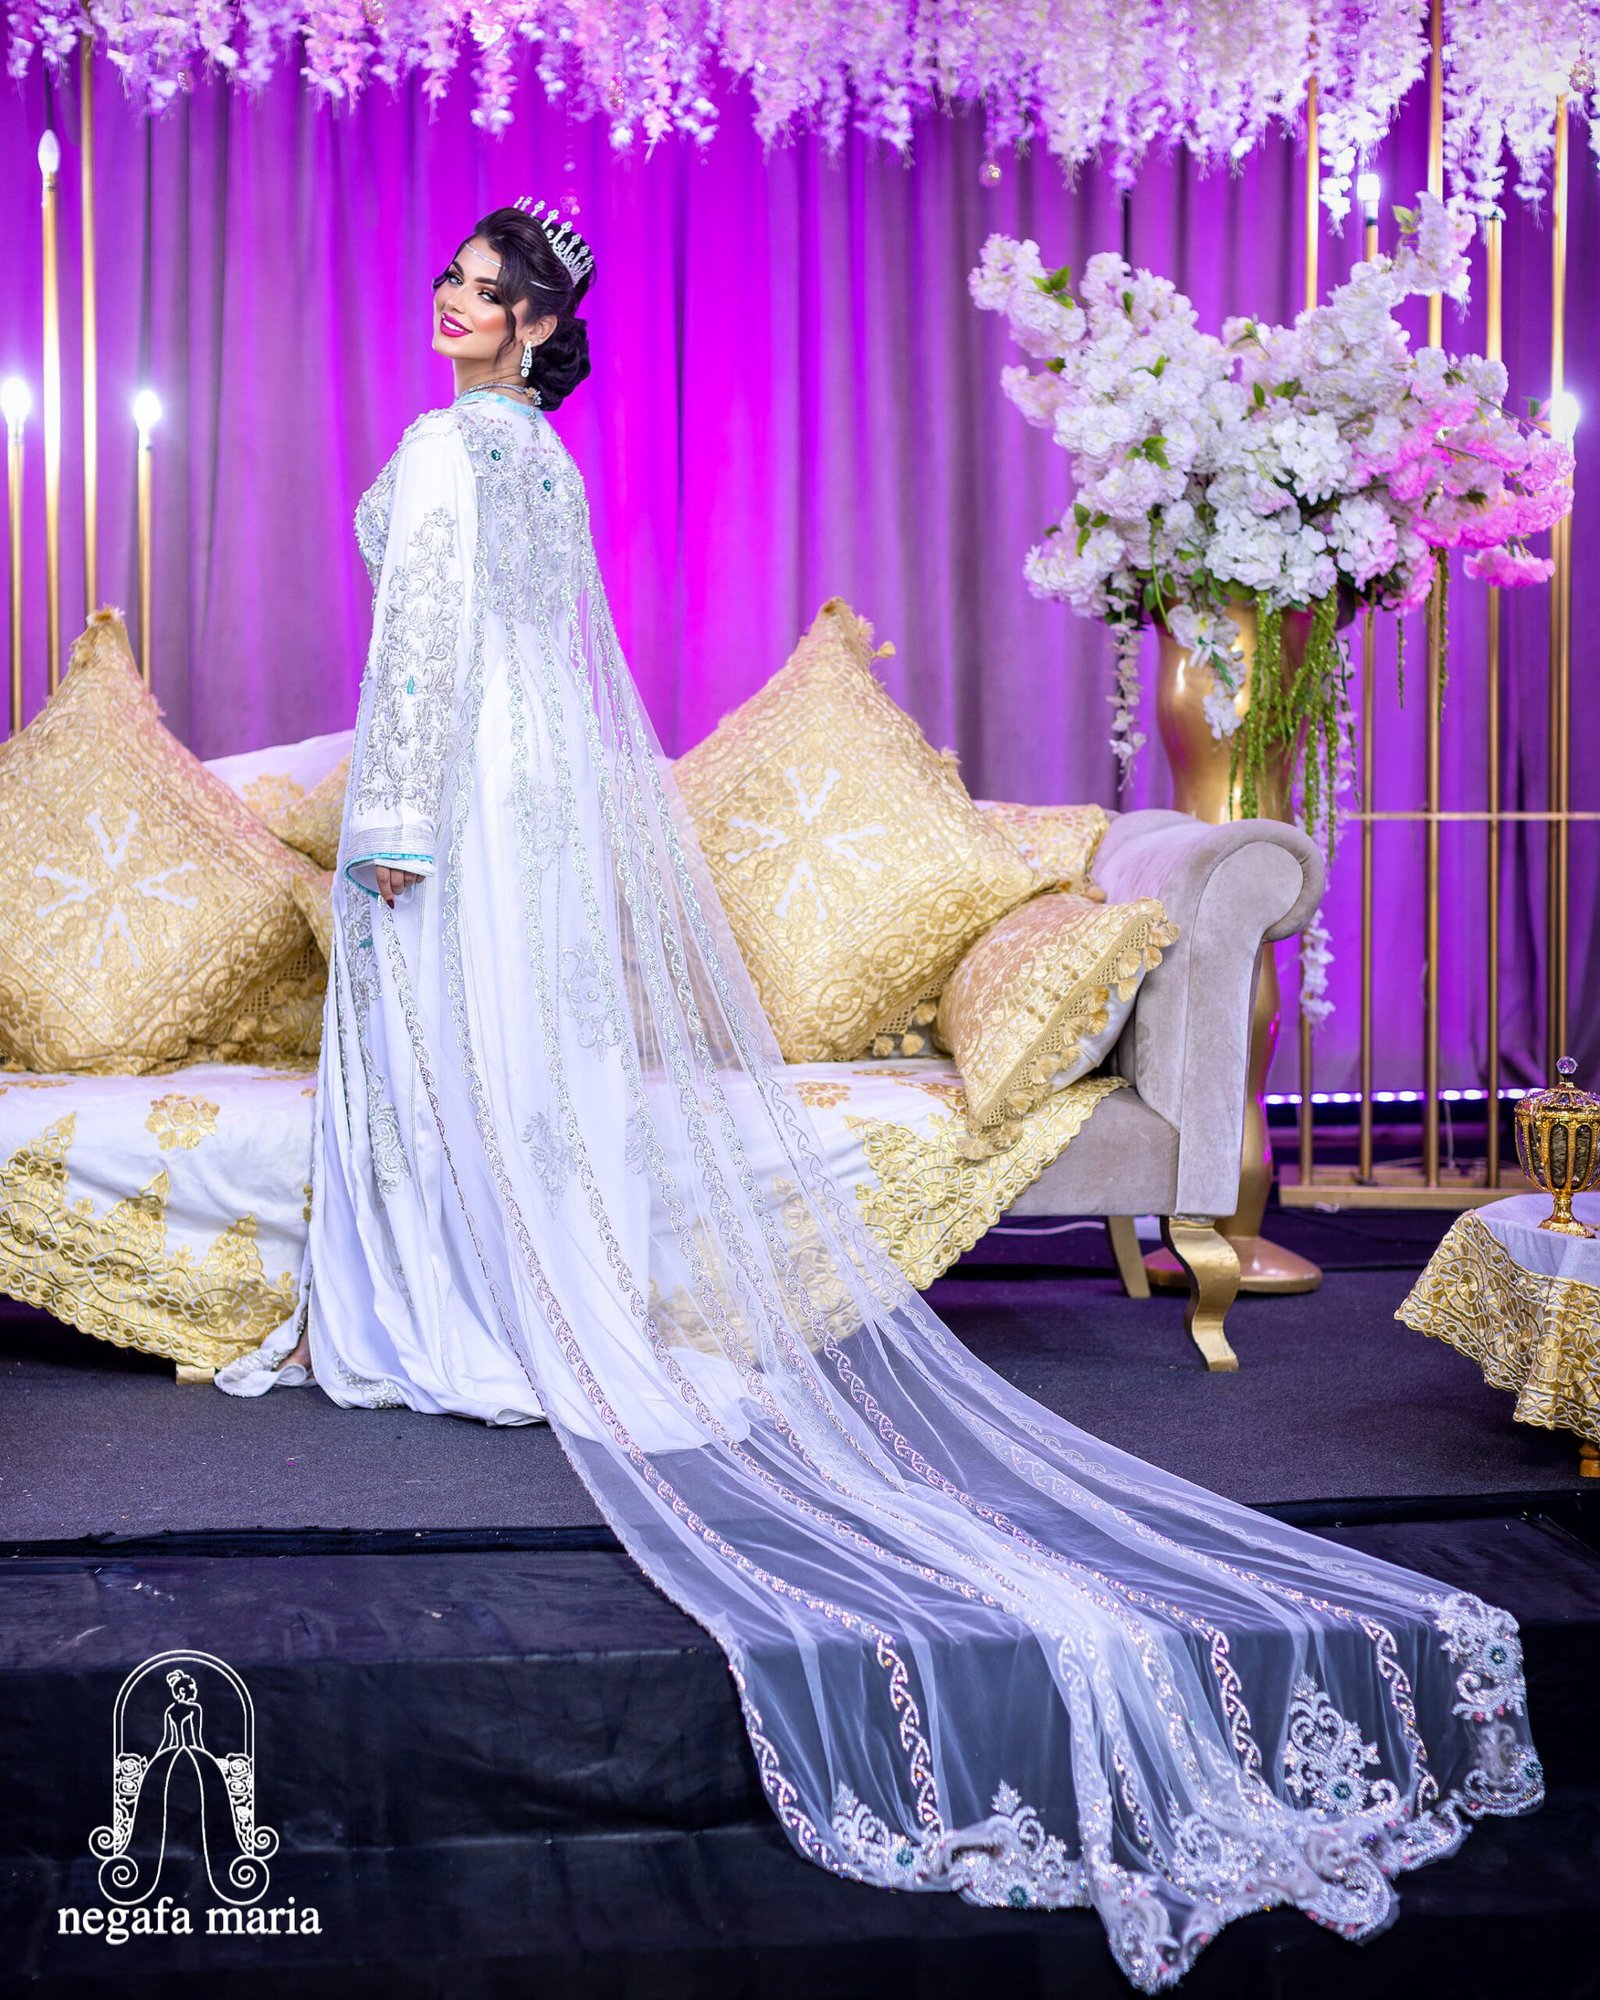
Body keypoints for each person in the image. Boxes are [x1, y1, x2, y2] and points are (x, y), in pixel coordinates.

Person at [215, 199, 1541, 1990]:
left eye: (487, 292)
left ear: (535, 326)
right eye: (449, 280)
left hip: (456, 804)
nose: (453, 304)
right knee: (515, 1062)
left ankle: (455, 1297)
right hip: (537, 806)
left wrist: (385, 829)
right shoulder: (535, 456)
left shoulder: (463, 450)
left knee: (461, 1055)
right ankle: (520, 1281)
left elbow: (429, 655)